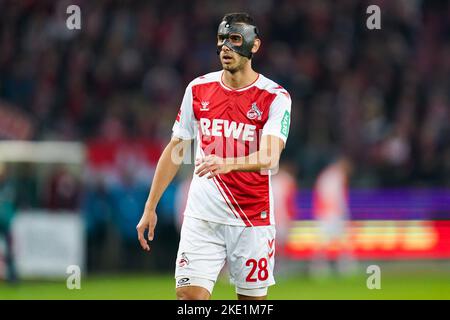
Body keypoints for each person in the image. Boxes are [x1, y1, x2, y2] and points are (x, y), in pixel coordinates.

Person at [136, 12, 291, 300]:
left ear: (254, 45)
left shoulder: (274, 97)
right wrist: (150, 206)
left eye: (235, 40)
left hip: (250, 219)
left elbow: (270, 155)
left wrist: (228, 163)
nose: (226, 48)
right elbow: (176, 149)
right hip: (202, 216)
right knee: (188, 298)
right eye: (222, 40)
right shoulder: (198, 89)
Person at [310, 156, 355, 277]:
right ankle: (343, 267)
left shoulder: (326, 175)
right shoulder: (337, 176)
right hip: (332, 214)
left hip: (325, 213)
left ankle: (320, 269)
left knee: (326, 243)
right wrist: (343, 213)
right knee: (337, 242)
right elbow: (339, 197)